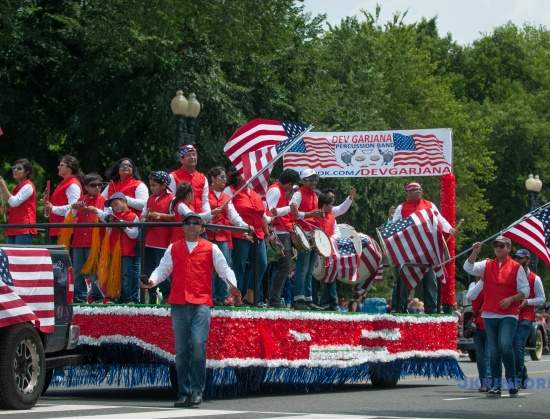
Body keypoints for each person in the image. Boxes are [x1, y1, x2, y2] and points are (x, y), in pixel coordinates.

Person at [144, 213, 241, 408]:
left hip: (201, 303)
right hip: (179, 303)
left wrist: (232, 285)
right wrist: (151, 282)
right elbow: (162, 269)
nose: (191, 226)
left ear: (202, 228)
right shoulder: (174, 247)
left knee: (197, 345)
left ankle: (197, 391)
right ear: (183, 227)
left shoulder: (211, 248)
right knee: (181, 351)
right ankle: (183, 392)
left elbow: (224, 269)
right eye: (188, 223)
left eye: (196, 223)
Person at [464, 236, 529, 397]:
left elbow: (525, 291)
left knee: (505, 346)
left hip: (509, 314)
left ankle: (512, 381)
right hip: (489, 314)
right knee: (493, 351)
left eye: (502, 245)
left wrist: (511, 299)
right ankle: (495, 385)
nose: (498, 248)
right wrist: (474, 252)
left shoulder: (516, 267)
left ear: (509, 248)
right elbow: (469, 267)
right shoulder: (487, 265)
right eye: (496, 245)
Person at [392, 182, 456, 314]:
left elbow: (439, 219)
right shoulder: (401, 208)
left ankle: (432, 310)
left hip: (427, 251)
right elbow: (395, 227)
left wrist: (449, 229)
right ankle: (399, 308)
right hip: (409, 251)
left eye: (420, 189)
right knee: (403, 280)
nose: (419, 191)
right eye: (415, 190)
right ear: (408, 192)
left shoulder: (430, 205)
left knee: (431, 280)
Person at [225, 167, 268, 305]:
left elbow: (262, 215)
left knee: (261, 263)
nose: (250, 176)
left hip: (258, 234)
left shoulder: (255, 193)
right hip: (240, 233)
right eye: (246, 174)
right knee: (239, 266)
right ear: (237, 176)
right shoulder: (230, 191)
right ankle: (236, 296)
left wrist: (268, 232)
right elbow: (227, 212)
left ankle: (250, 294)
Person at [207, 166, 249, 305]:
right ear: (212, 179)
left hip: (223, 235)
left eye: (225, 177)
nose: (225, 180)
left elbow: (233, 215)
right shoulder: (205, 194)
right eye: (221, 177)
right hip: (208, 234)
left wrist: (245, 226)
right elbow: (203, 212)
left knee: (224, 266)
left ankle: (223, 296)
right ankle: (210, 296)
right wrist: (210, 220)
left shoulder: (226, 197)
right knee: (209, 266)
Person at [265, 168, 300, 308]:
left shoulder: (280, 190)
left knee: (281, 267)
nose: (291, 188)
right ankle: (273, 299)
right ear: (289, 183)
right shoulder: (275, 190)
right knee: (284, 266)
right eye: (292, 185)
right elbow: (270, 212)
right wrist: (289, 208)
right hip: (277, 232)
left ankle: (274, 298)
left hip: (283, 231)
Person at [317, 187, 356, 311]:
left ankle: (331, 303)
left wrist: (350, 198)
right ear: (324, 204)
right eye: (330, 204)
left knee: (331, 275)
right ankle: (321, 302)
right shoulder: (315, 214)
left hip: (330, 250)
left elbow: (336, 232)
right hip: (318, 249)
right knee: (318, 276)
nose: (332, 207)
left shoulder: (332, 216)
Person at [289, 168, 324, 310]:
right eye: (310, 179)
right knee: (302, 268)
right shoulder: (298, 194)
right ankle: (298, 299)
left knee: (310, 270)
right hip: (302, 233)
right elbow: (293, 212)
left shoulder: (315, 195)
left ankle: (308, 299)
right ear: (303, 181)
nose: (314, 181)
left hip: (313, 233)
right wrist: (311, 214)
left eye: (315, 179)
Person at [512, 248, 545, 389]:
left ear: (528, 260)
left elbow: (542, 299)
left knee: (518, 345)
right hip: (511, 316)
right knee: (511, 348)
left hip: (526, 317)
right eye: (516, 258)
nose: (518, 261)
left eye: (521, 258)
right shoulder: (511, 276)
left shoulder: (535, 278)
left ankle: (518, 379)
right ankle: (523, 375)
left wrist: (528, 301)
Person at [71, 173, 106, 303]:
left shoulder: (104, 200)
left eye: (99, 185)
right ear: (86, 187)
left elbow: (108, 218)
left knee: (94, 272)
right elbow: (71, 217)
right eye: (93, 185)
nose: (97, 187)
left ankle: (97, 297)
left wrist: (97, 211)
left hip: (96, 242)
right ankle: (79, 297)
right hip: (79, 241)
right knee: (77, 271)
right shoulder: (81, 199)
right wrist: (73, 209)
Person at [141, 171, 174, 304]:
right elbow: (143, 215)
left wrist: (160, 216)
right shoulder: (150, 198)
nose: (152, 188)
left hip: (163, 241)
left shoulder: (172, 198)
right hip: (149, 240)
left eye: (154, 185)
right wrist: (146, 217)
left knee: (163, 270)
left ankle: (167, 295)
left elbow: (175, 216)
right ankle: (152, 295)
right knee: (148, 270)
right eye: (151, 185)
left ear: (164, 185)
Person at [102, 192, 140, 303]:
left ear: (124, 202)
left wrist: (124, 227)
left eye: (116, 204)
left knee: (127, 276)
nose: (114, 207)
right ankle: (117, 297)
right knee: (115, 276)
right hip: (113, 252)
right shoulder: (113, 216)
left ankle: (129, 299)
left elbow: (134, 235)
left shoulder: (133, 216)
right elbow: (108, 233)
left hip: (127, 252)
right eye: (112, 205)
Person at [44, 155, 83, 244]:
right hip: (57, 229)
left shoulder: (73, 185)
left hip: (64, 231)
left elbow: (73, 209)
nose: (58, 167)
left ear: (70, 168)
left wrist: (52, 208)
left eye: (61, 165)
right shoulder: (63, 183)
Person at [0, 159, 37, 244]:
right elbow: (12, 205)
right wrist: (6, 210)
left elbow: (14, 202)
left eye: (19, 168)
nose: (15, 170)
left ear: (27, 172)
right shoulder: (17, 188)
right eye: (14, 168)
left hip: (23, 228)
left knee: (21, 257)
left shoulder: (28, 186)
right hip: (13, 227)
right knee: (11, 256)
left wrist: (3, 186)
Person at [169, 145, 210, 214]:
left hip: (199, 221)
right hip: (180, 220)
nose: (192, 157)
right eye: (189, 155)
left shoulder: (203, 178)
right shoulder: (173, 176)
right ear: (181, 160)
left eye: (194, 155)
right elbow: (171, 200)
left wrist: (207, 216)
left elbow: (205, 201)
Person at [467, 281, 491, 392]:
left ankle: (488, 382)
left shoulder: (493, 284)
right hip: (477, 325)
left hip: (490, 324)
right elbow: (470, 296)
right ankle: (484, 383)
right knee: (481, 358)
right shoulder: (474, 285)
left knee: (487, 356)